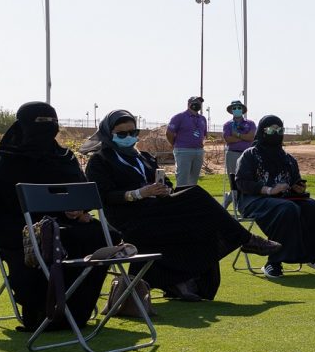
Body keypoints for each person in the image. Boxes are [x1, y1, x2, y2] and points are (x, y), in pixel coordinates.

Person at [82, 110, 278, 301]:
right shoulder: (100, 160)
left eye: (133, 133)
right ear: (109, 133)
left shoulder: (143, 157)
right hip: (128, 218)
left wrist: (164, 190)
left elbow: (166, 183)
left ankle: (181, 281)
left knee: (203, 224)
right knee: (196, 194)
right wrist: (138, 193)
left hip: (157, 211)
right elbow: (103, 196)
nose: (129, 137)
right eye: (122, 134)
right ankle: (245, 239)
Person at [0, 102, 110, 332]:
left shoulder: (64, 157)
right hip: (18, 227)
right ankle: (42, 312)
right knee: (45, 239)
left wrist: (79, 209)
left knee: (97, 234)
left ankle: (76, 311)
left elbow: (80, 190)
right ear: (23, 123)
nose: (48, 127)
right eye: (40, 122)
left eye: (52, 122)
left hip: (67, 222)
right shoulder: (6, 160)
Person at [235, 115, 315, 278]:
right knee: (287, 209)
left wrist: (299, 189)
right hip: (254, 200)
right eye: (272, 130)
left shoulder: (288, 159)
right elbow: (242, 183)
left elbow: (295, 181)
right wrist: (269, 190)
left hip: (285, 199)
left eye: (280, 130)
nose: (276, 133)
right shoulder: (250, 155)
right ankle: (274, 262)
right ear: (262, 131)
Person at [166, 95, 210, 187]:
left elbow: (204, 134)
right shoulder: (179, 117)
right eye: (195, 102)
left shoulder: (202, 119)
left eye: (199, 103)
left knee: (194, 180)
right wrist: (175, 144)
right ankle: (181, 200)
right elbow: (169, 133)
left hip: (198, 151)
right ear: (189, 104)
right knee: (182, 178)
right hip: (183, 150)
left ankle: (191, 200)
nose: (197, 104)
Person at [221, 100, 256, 207]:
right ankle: (236, 203)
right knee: (234, 180)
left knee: (246, 179)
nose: (237, 110)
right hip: (232, 154)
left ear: (242, 109)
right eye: (234, 108)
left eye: (239, 108)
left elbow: (250, 137)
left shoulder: (250, 123)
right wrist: (243, 138)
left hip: (247, 155)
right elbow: (228, 139)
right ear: (231, 110)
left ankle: (231, 198)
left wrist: (236, 135)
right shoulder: (227, 124)